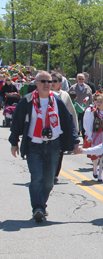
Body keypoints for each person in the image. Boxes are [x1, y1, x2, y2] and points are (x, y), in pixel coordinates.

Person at [9, 71, 80, 222]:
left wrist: (75, 141)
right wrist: (14, 142)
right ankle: (38, 208)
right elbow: (17, 121)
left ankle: (41, 204)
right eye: (44, 81)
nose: (47, 84)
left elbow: (68, 121)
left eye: (51, 81)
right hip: (34, 146)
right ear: (36, 83)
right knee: (36, 178)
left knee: (48, 181)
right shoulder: (27, 101)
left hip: (54, 145)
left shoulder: (57, 100)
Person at [51, 72, 79, 183]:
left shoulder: (64, 95)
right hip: (48, 128)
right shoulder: (44, 94)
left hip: (61, 128)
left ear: (60, 83)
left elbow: (71, 112)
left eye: (54, 81)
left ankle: (55, 174)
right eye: (50, 81)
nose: (52, 83)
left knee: (59, 152)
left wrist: (75, 128)